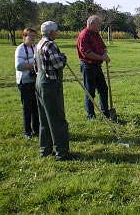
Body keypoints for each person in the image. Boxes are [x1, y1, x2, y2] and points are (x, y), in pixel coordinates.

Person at [35, 21, 77, 161]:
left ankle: (45, 151)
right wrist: (64, 57)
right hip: (50, 85)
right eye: (56, 31)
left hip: (39, 84)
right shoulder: (50, 45)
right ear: (51, 32)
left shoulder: (39, 44)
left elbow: (36, 66)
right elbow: (58, 64)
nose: (57, 33)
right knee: (58, 120)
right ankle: (62, 154)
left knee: (44, 120)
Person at [77, 15, 112, 120]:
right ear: (91, 24)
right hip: (88, 66)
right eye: (98, 24)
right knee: (90, 91)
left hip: (97, 66)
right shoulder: (84, 35)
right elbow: (87, 53)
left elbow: (103, 46)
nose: (99, 26)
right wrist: (101, 57)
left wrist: (105, 54)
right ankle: (91, 115)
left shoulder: (96, 34)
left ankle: (105, 113)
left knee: (103, 89)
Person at [15, 28, 39, 139]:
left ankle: (37, 129)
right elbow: (19, 66)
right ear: (24, 37)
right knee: (27, 107)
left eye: (34, 36)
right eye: (30, 36)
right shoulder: (20, 49)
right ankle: (27, 132)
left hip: (34, 81)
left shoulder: (35, 48)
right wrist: (34, 65)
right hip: (24, 82)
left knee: (36, 107)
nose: (33, 38)